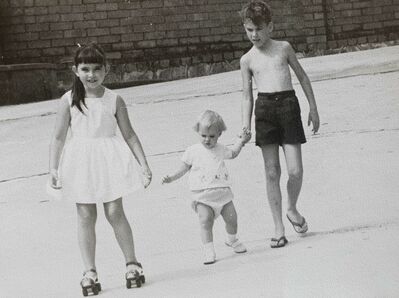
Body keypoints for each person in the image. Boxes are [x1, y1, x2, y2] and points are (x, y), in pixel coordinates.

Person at [48, 42, 152, 294]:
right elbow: (59, 137)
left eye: (96, 69)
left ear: (106, 70)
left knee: (115, 211)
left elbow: (130, 135)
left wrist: (144, 164)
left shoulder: (114, 99)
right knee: (85, 215)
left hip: (109, 160)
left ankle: (132, 263)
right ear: (75, 70)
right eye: (85, 69)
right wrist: (54, 168)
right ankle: (90, 271)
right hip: (80, 162)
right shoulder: (68, 100)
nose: (91, 74)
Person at [239, 0, 320, 248]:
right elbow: (246, 95)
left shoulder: (284, 48)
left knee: (295, 170)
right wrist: (245, 124)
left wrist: (313, 108)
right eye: (249, 30)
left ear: (270, 27)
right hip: (264, 109)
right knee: (272, 172)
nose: (254, 35)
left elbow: (303, 77)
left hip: (288, 106)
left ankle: (292, 208)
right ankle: (278, 227)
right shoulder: (247, 60)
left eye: (259, 29)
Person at [161, 110, 251, 265]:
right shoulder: (193, 151)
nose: (207, 140)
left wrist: (241, 141)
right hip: (202, 196)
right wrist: (171, 178)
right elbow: (183, 168)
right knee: (205, 220)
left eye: (212, 136)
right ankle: (209, 250)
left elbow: (234, 153)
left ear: (219, 134)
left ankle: (232, 239)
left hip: (223, 193)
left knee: (232, 219)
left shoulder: (221, 149)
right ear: (198, 132)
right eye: (203, 136)